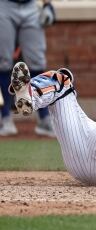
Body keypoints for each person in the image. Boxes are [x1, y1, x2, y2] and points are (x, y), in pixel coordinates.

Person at [0, 0, 56, 137]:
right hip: (4, 5)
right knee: (3, 62)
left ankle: (44, 119)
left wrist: (47, 4)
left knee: (37, 62)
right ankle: (5, 118)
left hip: (30, 5)